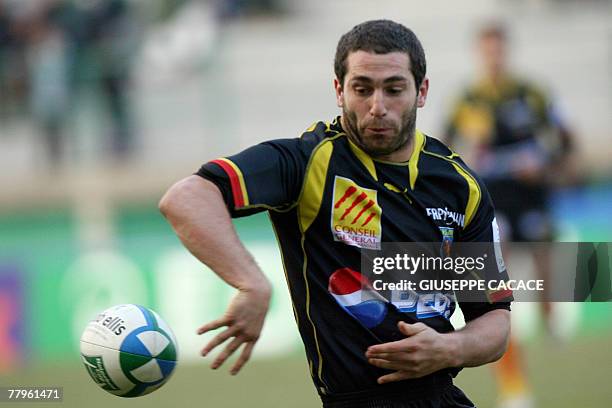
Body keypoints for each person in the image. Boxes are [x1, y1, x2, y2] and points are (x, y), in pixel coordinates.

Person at [160, 20, 513, 408]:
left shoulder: (461, 186)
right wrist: (251, 284)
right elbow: (187, 198)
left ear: (421, 91)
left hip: (441, 397)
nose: (377, 107)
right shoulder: (307, 162)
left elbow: (494, 320)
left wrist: (449, 349)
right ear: (339, 91)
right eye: (362, 89)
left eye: (394, 89)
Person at [444, 23, 576, 408]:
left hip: (532, 198)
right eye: (487, 51)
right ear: (479, 55)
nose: (493, 58)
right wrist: (472, 151)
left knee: (545, 272)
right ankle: (514, 387)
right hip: (491, 202)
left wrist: (544, 162)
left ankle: (551, 318)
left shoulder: (533, 93)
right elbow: (446, 148)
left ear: (507, 52)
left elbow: (565, 139)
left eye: (498, 50)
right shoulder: (467, 100)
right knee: (493, 289)